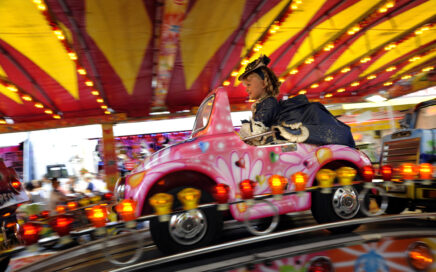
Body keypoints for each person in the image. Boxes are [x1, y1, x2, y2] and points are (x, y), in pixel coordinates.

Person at [238, 55, 355, 148]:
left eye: (248, 85)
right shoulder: (262, 103)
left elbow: (256, 132)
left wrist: (245, 130)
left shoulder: (268, 102)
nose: (247, 89)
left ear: (263, 84)